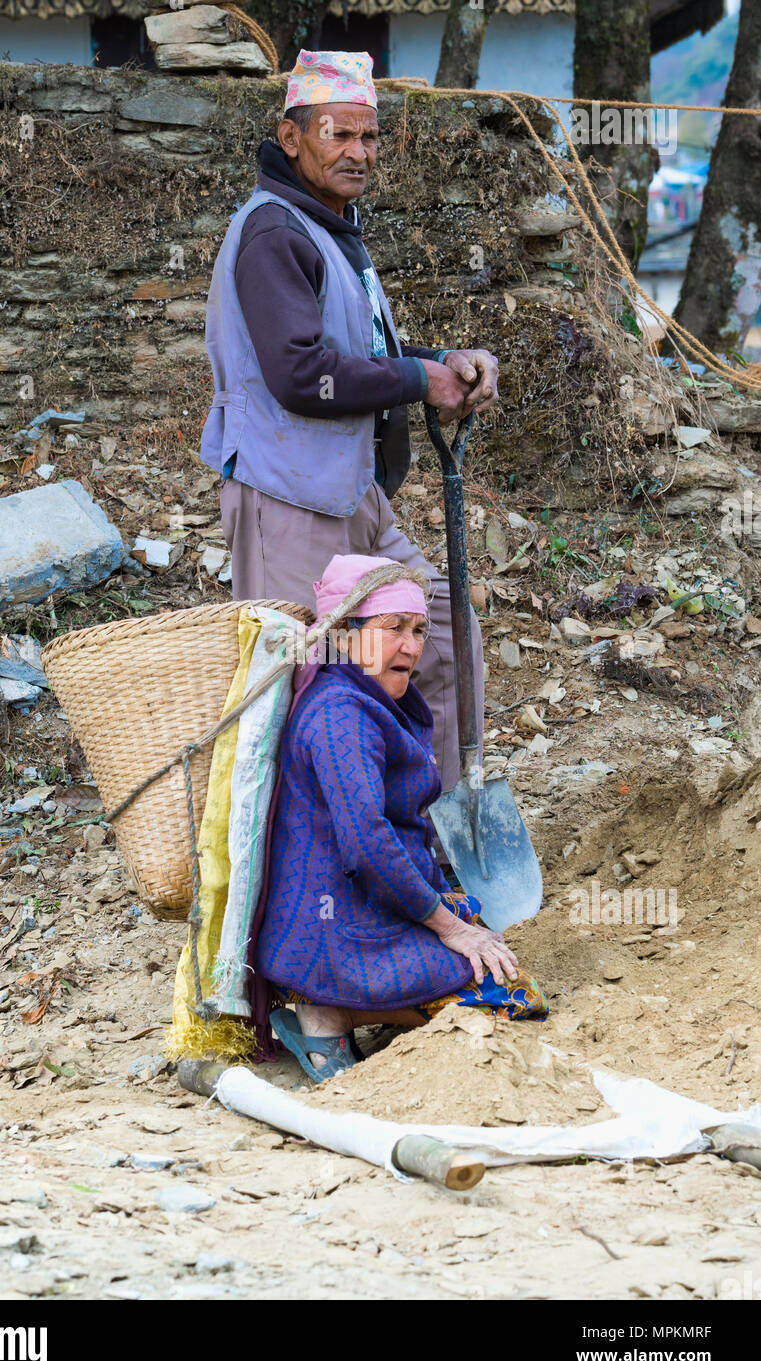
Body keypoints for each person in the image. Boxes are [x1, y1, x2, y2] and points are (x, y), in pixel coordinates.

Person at [201, 47, 497, 793]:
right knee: (307, 684)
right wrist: (413, 379)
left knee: (439, 633)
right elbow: (300, 373)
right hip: (287, 497)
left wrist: (439, 363)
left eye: (368, 138)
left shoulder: (330, 227)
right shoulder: (274, 233)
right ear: (291, 135)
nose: (358, 152)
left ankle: (433, 824)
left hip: (352, 489)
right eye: (338, 135)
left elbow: (355, 352)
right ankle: (311, 876)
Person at [255, 555, 547, 1082]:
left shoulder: (367, 699)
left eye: (417, 630)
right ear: (344, 634)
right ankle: (328, 1010)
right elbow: (367, 843)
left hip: (353, 908)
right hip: (332, 931)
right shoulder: (339, 714)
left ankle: (340, 1000)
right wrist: (451, 928)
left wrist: (456, 923)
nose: (412, 647)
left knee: (490, 949)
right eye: (393, 628)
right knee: (510, 997)